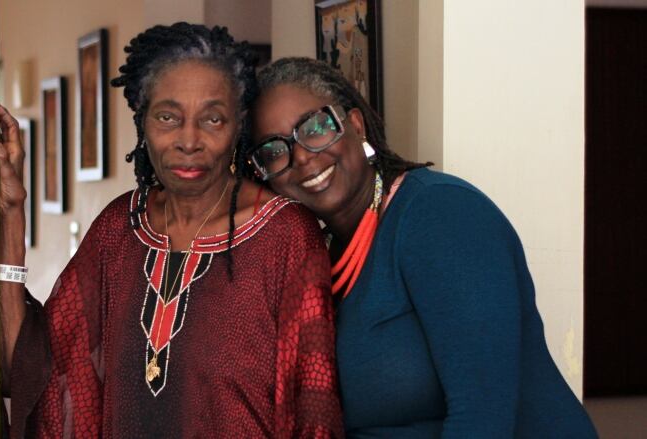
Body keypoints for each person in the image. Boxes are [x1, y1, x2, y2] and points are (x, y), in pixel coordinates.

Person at [0, 26, 342, 438]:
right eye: (168, 117)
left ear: (238, 125)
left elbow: (313, 406)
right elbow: (34, 373)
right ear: (142, 118)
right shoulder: (119, 230)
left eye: (212, 118)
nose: (188, 140)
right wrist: (13, 214)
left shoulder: (285, 236)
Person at [248, 57, 598, 438]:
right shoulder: (319, 254)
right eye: (275, 150)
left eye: (315, 128)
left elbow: (482, 416)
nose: (301, 157)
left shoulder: (440, 215)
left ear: (356, 126)